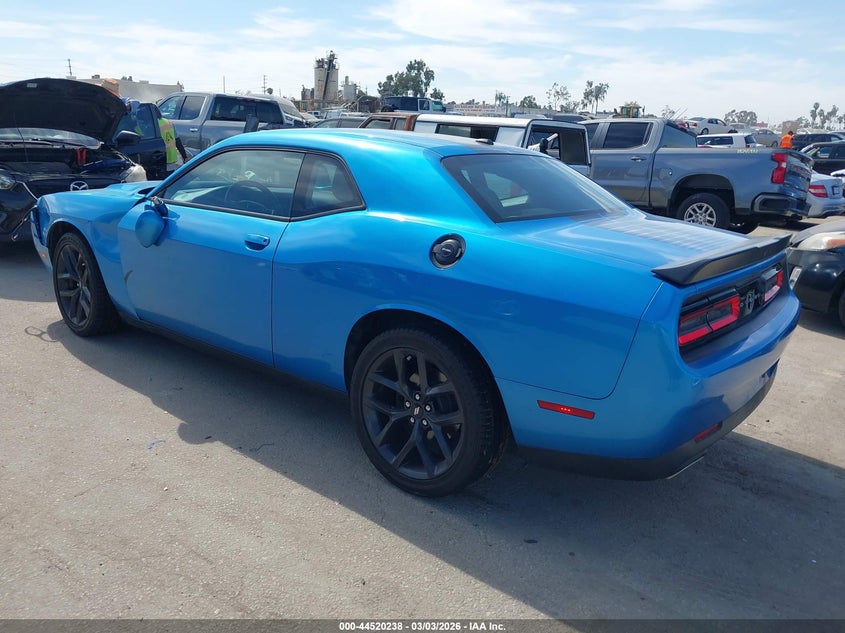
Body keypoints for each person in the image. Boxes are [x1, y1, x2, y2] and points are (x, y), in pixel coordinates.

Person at [153, 104, 188, 172]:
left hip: (160, 159)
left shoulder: (150, 124)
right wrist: (185, 157)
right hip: (171, 158)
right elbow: (177, 141)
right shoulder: (168, 122)